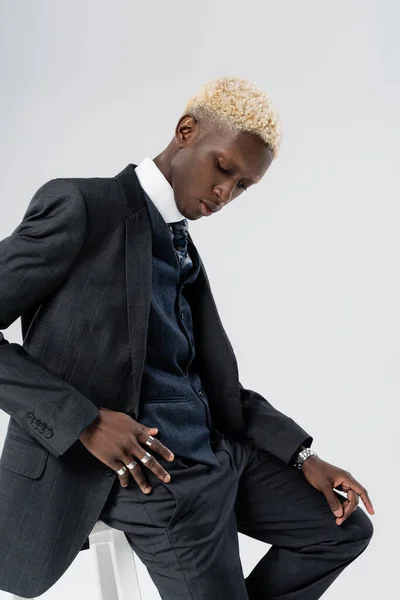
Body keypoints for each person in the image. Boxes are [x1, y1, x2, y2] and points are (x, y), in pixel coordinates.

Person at [0, 76, 374, 599]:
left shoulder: (181, 246)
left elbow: (209, 384)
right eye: (224, 168)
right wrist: (82, 421)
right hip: (155, 483)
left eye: (243, 186)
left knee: (342, 530)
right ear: (186, 130)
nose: (226, 193)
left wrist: (301, 457)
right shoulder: (85, 206)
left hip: (220, 456)